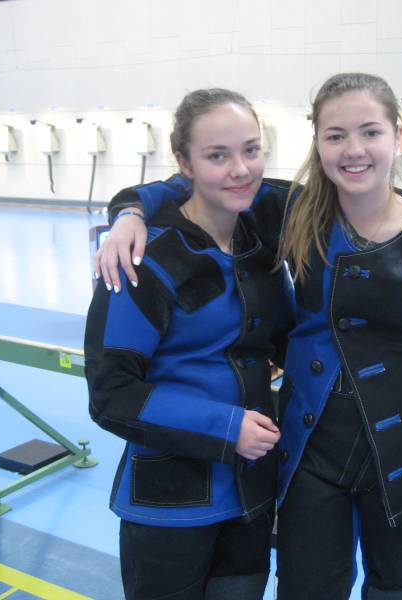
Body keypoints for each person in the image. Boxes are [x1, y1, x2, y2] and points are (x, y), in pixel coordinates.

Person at [97, 73, 402, 600]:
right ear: (317, 142)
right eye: (335, 135)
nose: (354, 150)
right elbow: (200, 182)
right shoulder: (294, 211)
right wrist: (130, 211)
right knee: (306, 587)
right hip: (312, 455)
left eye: (371, 132)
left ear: (397, 136)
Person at [84, 88, 293, 600]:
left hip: (249, 492)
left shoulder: (258, 246)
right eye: (217, 156)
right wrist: (226, 427)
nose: (240, 169)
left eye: (250, 149)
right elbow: (111, 394)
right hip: (170, 507)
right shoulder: (144, 261)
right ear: (185, 163)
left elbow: (287, 338)